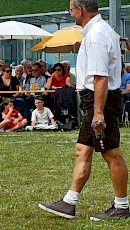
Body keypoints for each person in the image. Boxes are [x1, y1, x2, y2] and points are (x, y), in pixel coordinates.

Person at [39, 0, 129, 221]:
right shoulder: (102, 30)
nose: (71, 13)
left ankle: (122, 206)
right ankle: (69, 202)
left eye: (71, 9)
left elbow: (100, 77)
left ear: (80, 10)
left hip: (101, 100)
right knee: (83, 149)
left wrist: (98, 113)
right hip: (99, 100)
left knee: (111, 153)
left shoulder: (97, 35)